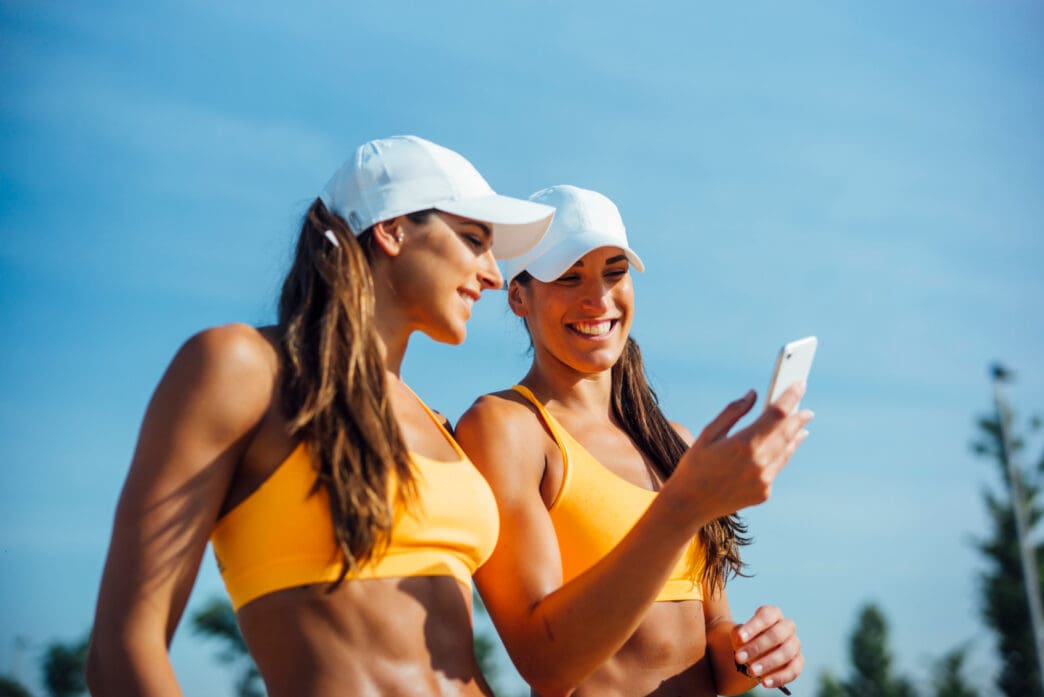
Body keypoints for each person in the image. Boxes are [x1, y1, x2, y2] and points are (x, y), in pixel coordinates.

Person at [85, 135, 555, 697]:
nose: (495, 275)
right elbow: (123, 648)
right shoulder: (243, 368)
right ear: (393, 230)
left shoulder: (439, 425)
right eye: (475, 240)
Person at [455, 185, 811, 697]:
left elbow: (713, 649)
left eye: (614, 271)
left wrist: (755, 651)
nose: (597, 297)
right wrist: (683, 508)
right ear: (518, 296)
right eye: (568, 276)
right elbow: (546, 663)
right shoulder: (508, 429)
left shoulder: (672, 443)